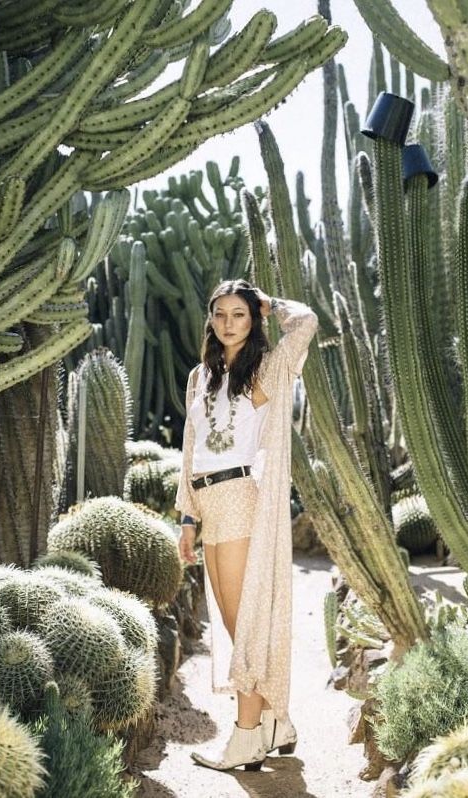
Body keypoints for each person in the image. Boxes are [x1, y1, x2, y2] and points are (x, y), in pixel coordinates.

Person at [175, 278, 318, 771]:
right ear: (210, 320)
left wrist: (269, 302)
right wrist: (188, 519)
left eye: (240, 314)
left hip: (239, 497)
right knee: (236, 627)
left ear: (252, 318)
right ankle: (277, 722)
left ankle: (246, 736)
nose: (229, 323)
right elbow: (190, 450)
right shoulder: (200, 376)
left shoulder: (266, 369)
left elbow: (306, 324)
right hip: (208, 501)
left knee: (245, 625)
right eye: (221, 314)